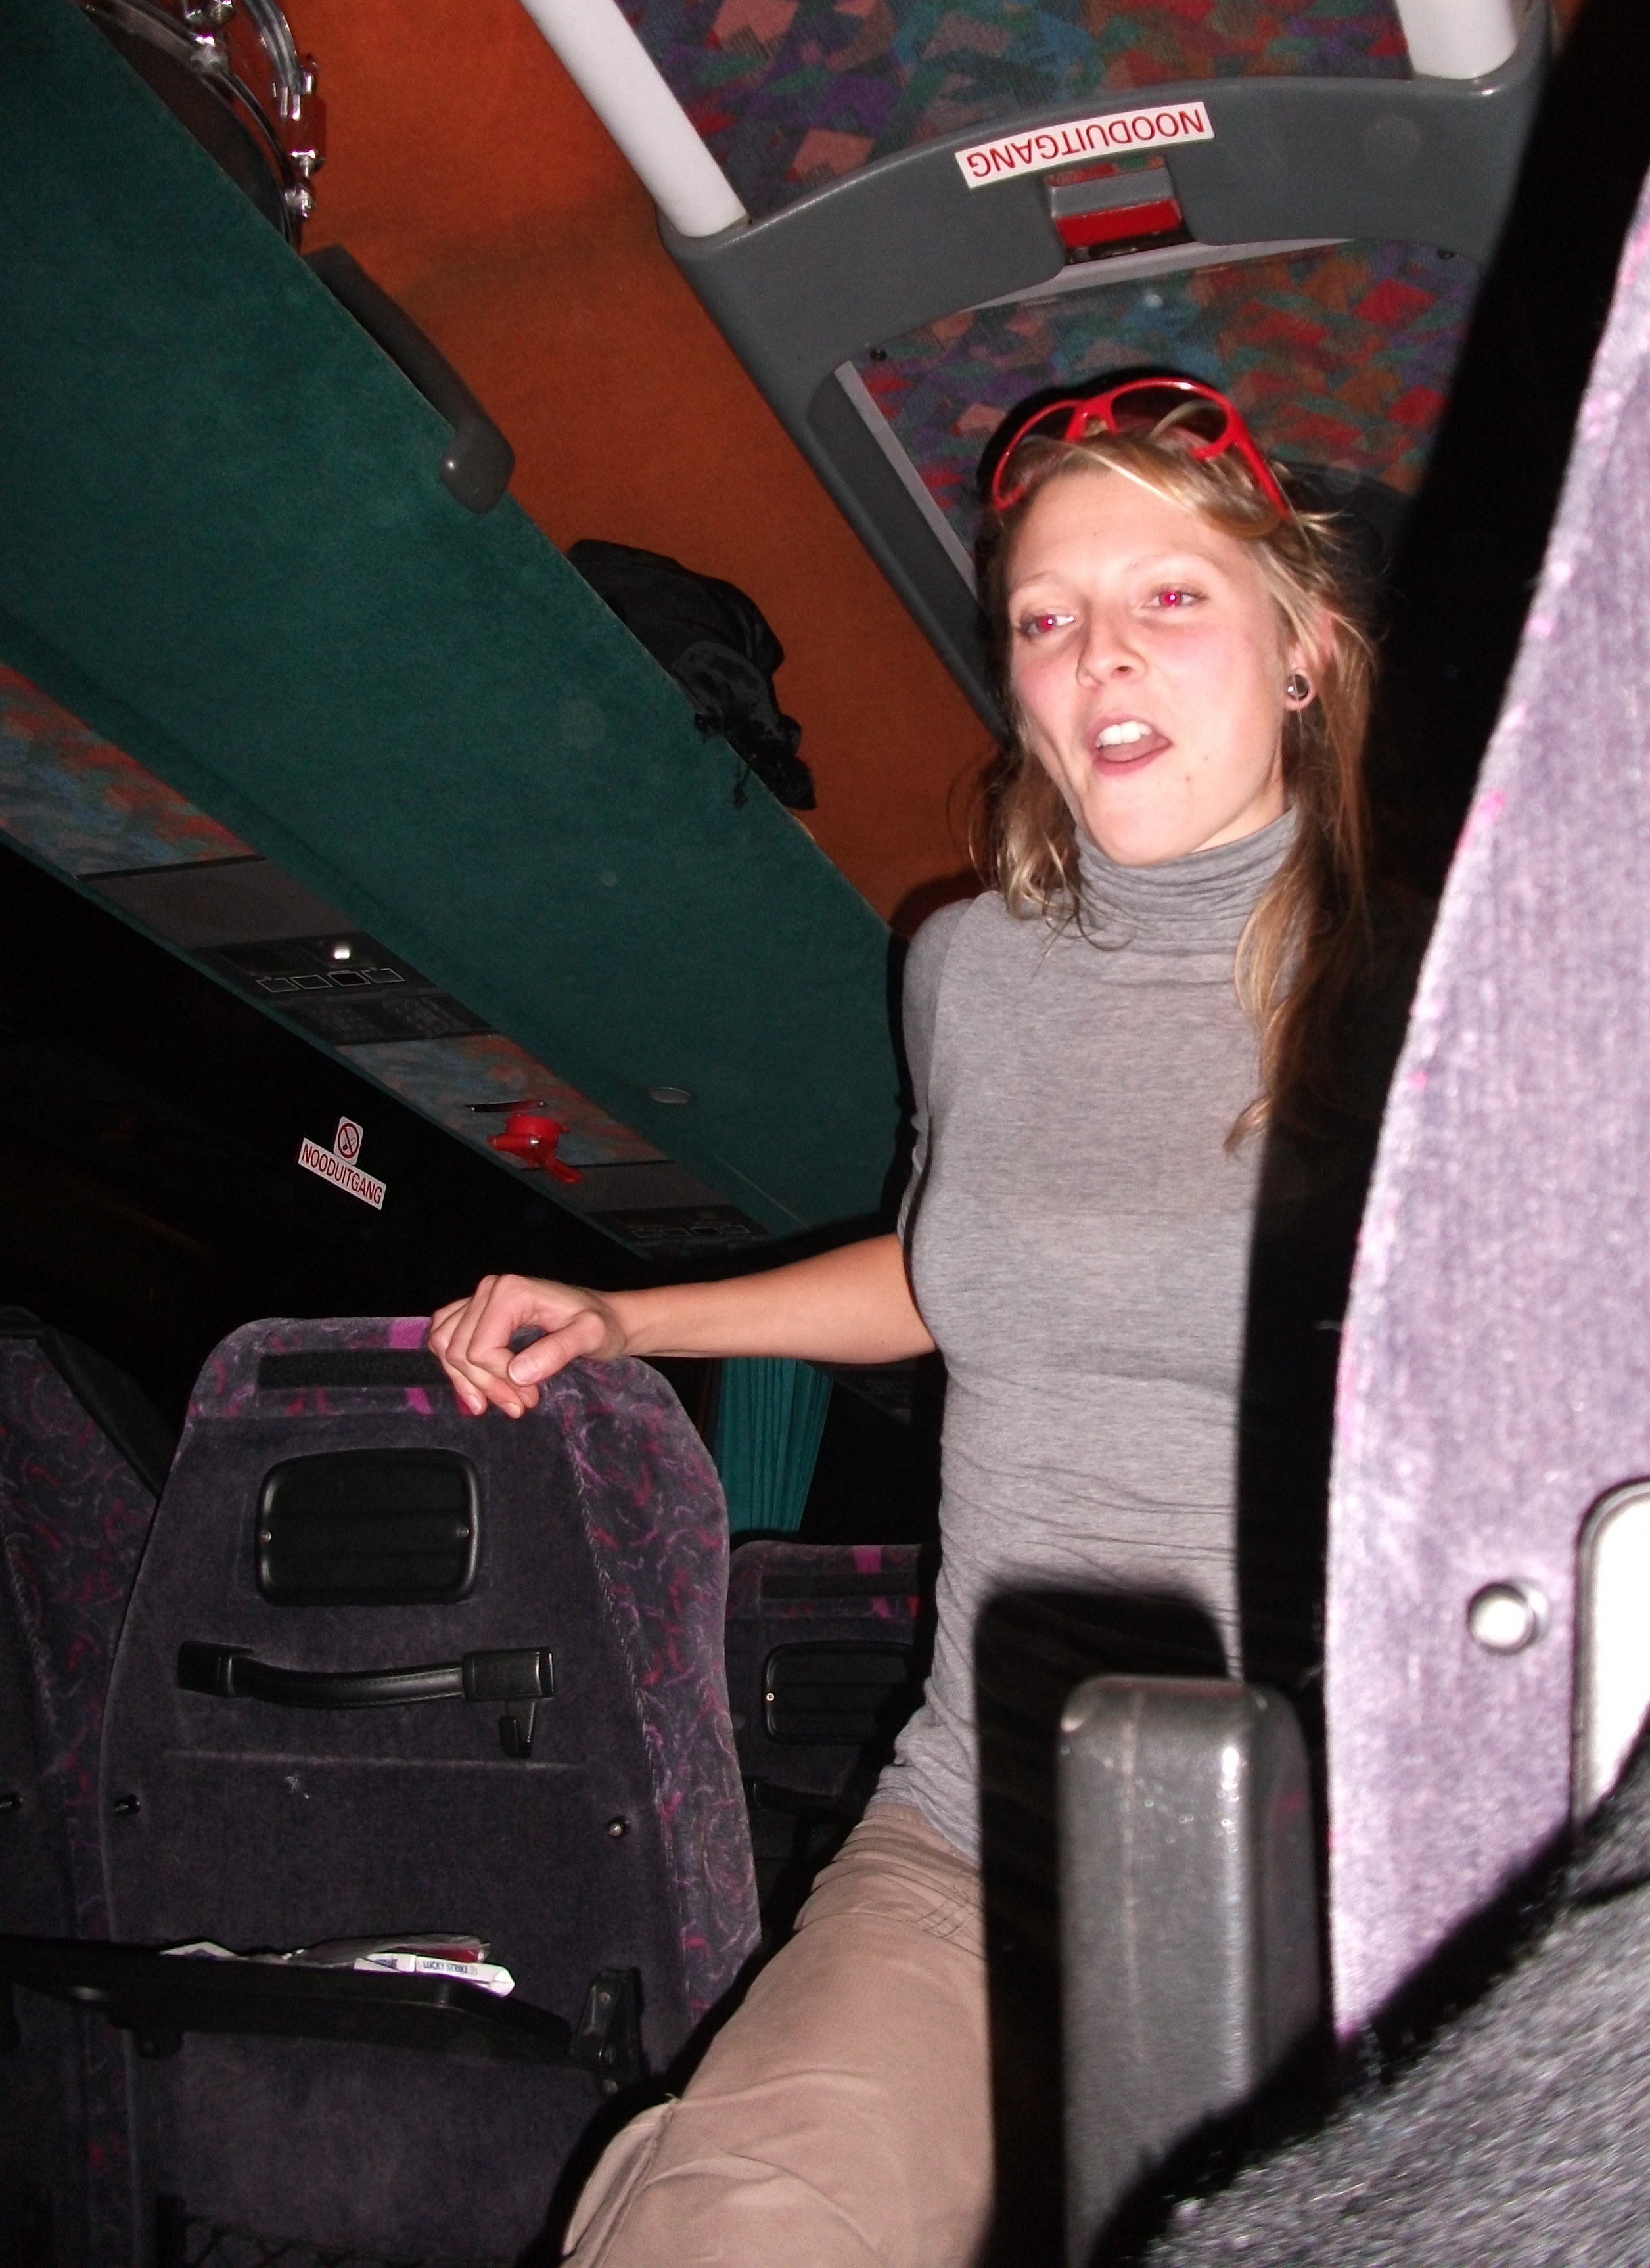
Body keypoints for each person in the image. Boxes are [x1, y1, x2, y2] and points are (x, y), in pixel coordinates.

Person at [429, 378, 1392, 2268]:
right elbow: (956, 1272)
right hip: (984, 1828)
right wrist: (627, 1313)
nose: (1099, 653)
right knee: (719, 2230)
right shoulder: (969, 968)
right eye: (1045, 617)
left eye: (1170, 597)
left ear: (1301, 651)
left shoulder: (1434, 982)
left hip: (1364, 1857)